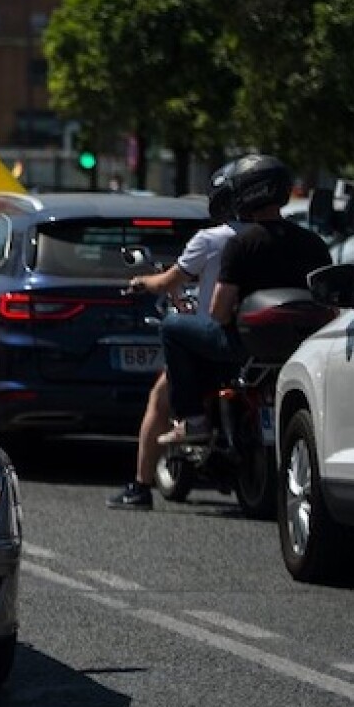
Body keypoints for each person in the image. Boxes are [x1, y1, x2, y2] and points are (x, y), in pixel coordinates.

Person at [157, 154, 330, 446]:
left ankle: (193, 419)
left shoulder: (242, 243)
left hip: (245, 346)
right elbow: (329, 300)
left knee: (173, 328)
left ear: (245, 194)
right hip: (301, 345)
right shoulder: (313, 243)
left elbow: (219, 312)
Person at [107, 163, 239, 510]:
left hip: (213, 337)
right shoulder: (267, 237)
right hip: (258, 339)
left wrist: (140, 282)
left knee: (159, 398)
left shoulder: (213, 239)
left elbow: (167, 282)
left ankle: (140, 486)